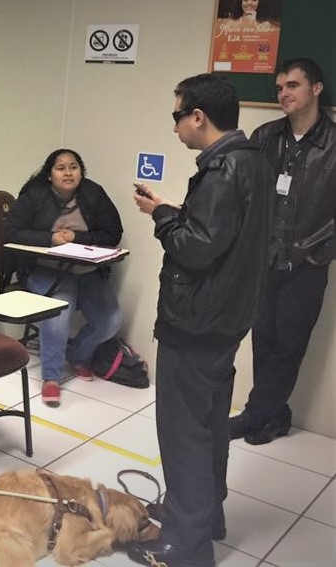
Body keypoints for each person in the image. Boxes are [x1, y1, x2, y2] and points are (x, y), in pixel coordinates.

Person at [128, 73, 272, 567]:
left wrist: (162, 217)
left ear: (198, 116)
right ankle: (205, 516)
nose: (174, 128)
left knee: (183, 431)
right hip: (226, 317)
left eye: (177, 116)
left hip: (196, 321)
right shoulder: (253, 160)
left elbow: (195, 248)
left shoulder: (223, 169)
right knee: (209, 423)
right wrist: (172, 210)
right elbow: (222, 236)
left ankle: (185, 545)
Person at [231, 58, 336, 446]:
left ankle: (254, 415)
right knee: (264, 340)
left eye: (293, 85)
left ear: (316, 88)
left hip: (307, 263)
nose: (284, 94)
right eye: (279, 88)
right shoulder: (265, 136)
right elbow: (245, 193)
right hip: (265, 259)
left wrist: (321, 253)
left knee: (289, 346)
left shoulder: (333, 143)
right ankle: (275, 417)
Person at [4, 148, 124, 408]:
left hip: (87, 271)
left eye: (73, 167)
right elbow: (12, 232)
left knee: (110, 321)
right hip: (46, 269)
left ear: (81, 172)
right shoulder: (35, 194)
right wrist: (51, 239)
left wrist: (76, 238)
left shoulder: (93, 193)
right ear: (50, 175)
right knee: (59, 314)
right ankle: (52, 377)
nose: (68, 173)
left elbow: (113, 233)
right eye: (60, 168)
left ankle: (77, 355)